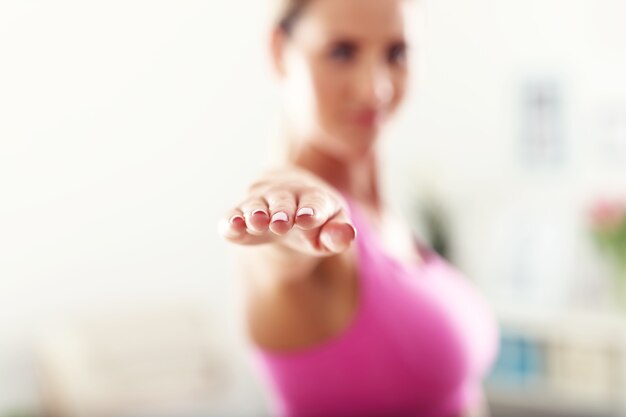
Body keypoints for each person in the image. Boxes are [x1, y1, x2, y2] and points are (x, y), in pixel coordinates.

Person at [218, 0, 499, 415]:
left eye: (397, 53)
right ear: (279, 50)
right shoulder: (310, 229)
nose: (376, 88)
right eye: (342, 52)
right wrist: (287, 215)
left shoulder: (387, 216)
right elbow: (278, 257)